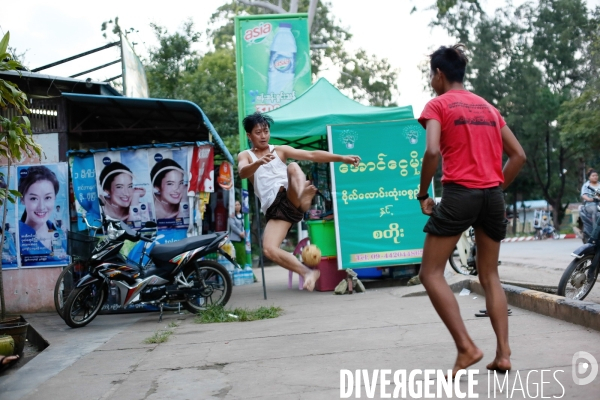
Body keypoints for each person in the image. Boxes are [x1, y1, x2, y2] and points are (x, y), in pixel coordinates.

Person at [416, 44, 526, 377]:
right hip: (492, 196)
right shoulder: (489, 109)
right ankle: (503, 354)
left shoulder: (438, 105)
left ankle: (466, 348)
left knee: (430, 273)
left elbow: (432, 150)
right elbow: (518, 155)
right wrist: (493, 188)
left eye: (431, 75)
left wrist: (423, 193)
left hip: (460, 194)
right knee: (490, 275)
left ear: (439, 74)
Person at [237, 112, 361, 291]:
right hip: (276, 209)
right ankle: (307, 273)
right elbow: (242, 172)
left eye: (266, 131)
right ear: (249, 135)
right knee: (269, 249)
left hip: (290, 194)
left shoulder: (280, 150)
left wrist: (341, 158)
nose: (263, 136)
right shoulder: (246, 155)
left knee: (293, 166)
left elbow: (311, 155)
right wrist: (258, 163)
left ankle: (303, 194)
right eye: (258, 132)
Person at [18, 165, 66, 256]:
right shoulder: (14, 238)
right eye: (33, 198)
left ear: (54, 198)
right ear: (22, 199)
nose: (41, 207)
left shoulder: (61, 234)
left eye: (48, 197)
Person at [581, 168, 599, 237]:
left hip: (599, 203)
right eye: (593, 175)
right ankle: (595, 231)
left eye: (596, 175)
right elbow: (583, 195)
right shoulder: (586, 186)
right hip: (590, 204)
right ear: (589, 177)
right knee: (596, 212)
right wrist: (589, 199)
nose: (595, 177)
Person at [228, 200, 246, 267]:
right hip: (235, 239)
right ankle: (238, 268)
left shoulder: (244, 215)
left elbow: (245, 225)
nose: (237, 206)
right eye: (236, 205)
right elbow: (233, 226)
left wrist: (244, 232)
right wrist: (240, 233)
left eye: (238, 204)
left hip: (243, 238)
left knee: (243, 254)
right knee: (237, 254)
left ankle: (243, 268)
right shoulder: (232, 216)